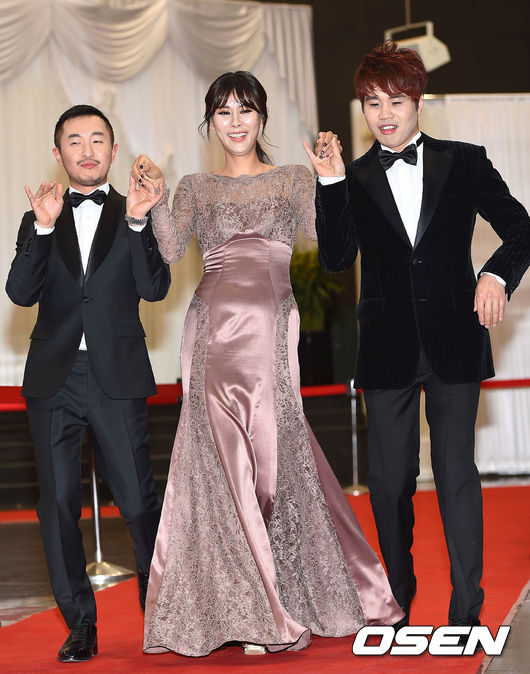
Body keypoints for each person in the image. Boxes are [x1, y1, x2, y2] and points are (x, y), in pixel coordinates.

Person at [127, 71, 403, 657]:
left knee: (272, 462)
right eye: (223, 112)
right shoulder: (196, 186)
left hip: (272, 331)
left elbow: (328, 244)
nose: (235, 122)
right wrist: (151, 207)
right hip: (210, 335)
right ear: (210, 122)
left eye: (245, 110)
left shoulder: (292, 178)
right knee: (221, 464)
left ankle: (280, 593)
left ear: (262, 117)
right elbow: (172, 249)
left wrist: (331, 181)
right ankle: (255, 612)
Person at [304, 41, 530, 639]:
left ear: (419, 102)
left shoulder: (465, 161)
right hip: (386, 347)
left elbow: (521, 227)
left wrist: (496, 274)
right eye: (372, 103)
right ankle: (397, 601)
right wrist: (330, 184)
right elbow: (336, 260)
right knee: (388, 483)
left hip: (455, 336)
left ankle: (467, 609)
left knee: (456, 473)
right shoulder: (351, 177)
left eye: (396, 101)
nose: (384, 114)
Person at [6, 105, 171, 663]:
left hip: (116, 376)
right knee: (57, 505)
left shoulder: (135, 210)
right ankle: (80, 623)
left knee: (139, 502)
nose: (87, 149)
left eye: (97, 139)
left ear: (113, 150)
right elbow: (20, 293)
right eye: (74, 140)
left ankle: (160, 607)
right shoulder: (38, 217)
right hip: (54, 379)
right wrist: (43, 227)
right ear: (58, 154)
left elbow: (155, 289)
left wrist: (142, 222)